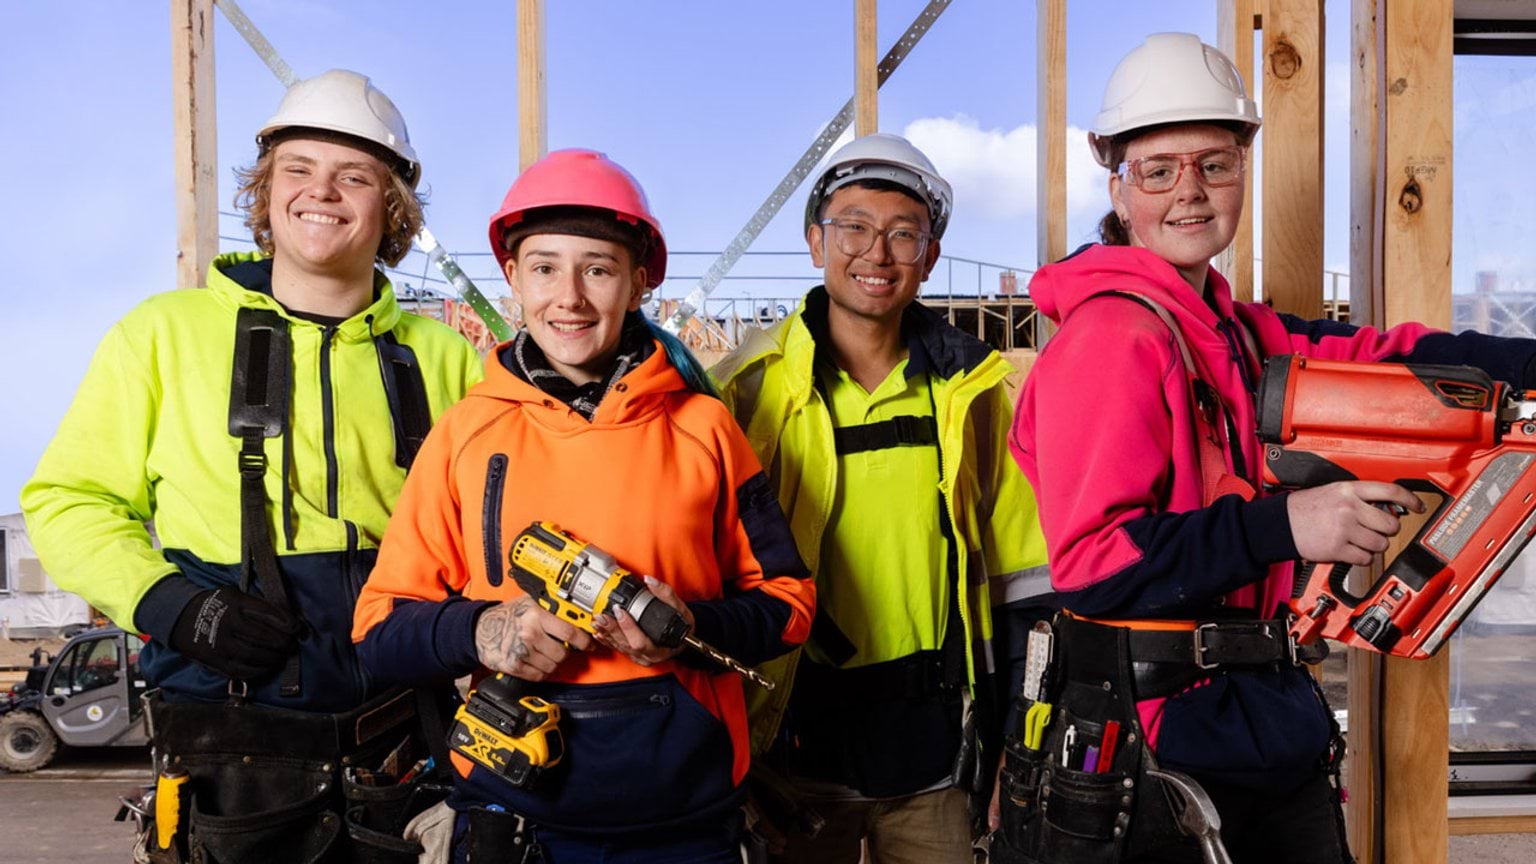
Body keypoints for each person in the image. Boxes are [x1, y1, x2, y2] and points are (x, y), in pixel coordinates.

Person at [1002, 33, 1536, 864]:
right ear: (1119, 189)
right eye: (1159, 170)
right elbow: (1095, 566)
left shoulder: (1237, 332)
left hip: (1256, 713)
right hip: (1154, 742)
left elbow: (1391, 361)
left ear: (1241, 172)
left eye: (1214, 165)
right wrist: (1288, 526)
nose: (1190, 191)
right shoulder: (1111, 337)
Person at [21, 69, 483, 862]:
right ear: (266, 192)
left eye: (353, 176)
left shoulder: (445, 359)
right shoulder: (162, 334)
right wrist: (174, 607)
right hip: (226, 757)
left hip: (406, 749)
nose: (321, 191)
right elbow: (70, 499)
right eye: (298, 169)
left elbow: (497, 525)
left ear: (393, 206)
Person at [351, 149, 817, 863]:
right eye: (545, 268)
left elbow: (789, 604)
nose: (568, 297)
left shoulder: (705, 428)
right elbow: (379, 628)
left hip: (684, 815)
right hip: (514, 817)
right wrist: (482, 630)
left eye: (597, 269)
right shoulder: (466, 433)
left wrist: (691, 628)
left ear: (638, 283)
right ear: (514, 277)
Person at [710, 133, 1053, 864]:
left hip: (935, 762)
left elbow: (1024, 586)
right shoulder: (743, 392)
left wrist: (1015, 741)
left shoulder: (975, 396)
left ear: (929, 257)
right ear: (815, 242)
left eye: (904, 234)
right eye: (854, 227)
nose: (877, 253)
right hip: (791, 759)